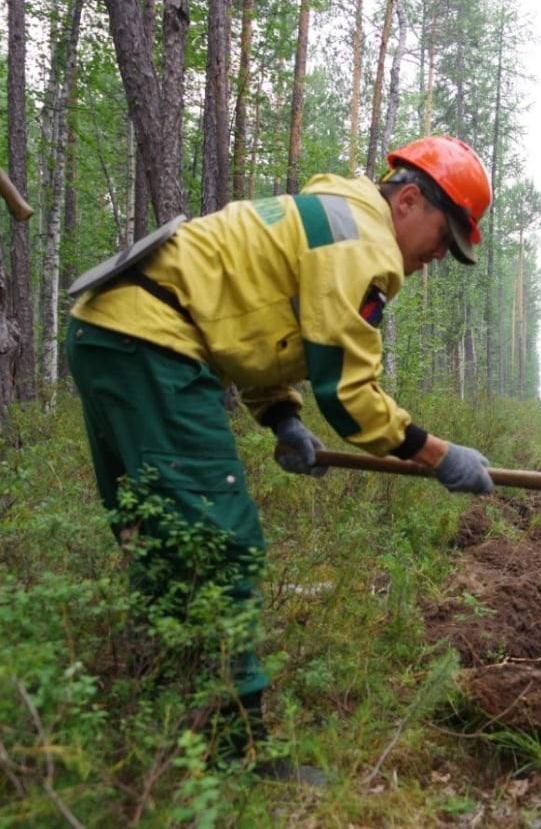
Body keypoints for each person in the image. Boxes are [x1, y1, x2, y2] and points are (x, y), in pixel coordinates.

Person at [66, 135, 497, 782]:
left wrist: (282, 416)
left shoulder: (332, 212)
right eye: (444, 238)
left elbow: (258, 316)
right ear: (408, 200)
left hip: (109, 329)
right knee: (221, 541)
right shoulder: (365, 246)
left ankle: (157, 724)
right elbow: (350, 395)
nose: (438, 257)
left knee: (161, 536)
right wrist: (437, 454)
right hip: (154, 340)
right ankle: (233, 750)